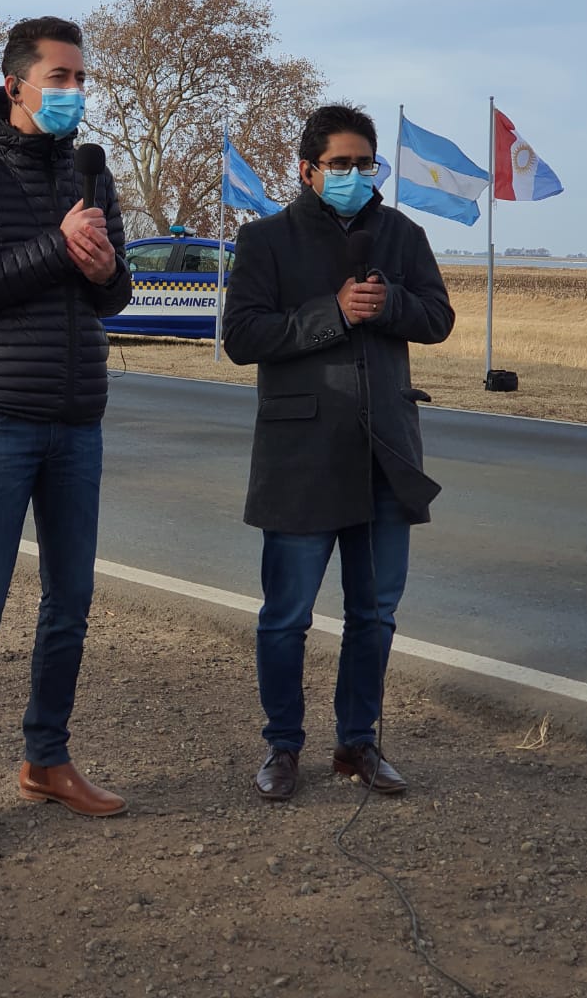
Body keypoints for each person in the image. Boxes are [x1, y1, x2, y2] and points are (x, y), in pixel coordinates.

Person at [0, 16, 133, 854]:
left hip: (78, 419)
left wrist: (105, 270)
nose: (74, 91)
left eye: (81, 78)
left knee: (70, 603)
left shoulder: (92, 172)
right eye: (60, 78)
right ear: (16, 85)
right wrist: (56, 248)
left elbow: (113, 295)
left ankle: (47, 760)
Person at [222, 103, 455, 802]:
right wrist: (333, 312)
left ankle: (358, 744)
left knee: (375, 613)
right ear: (307, 170)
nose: (355, 175)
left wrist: (389, 306)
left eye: (364, 163)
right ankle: (282, 747)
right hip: (301, 457)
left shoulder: (403, 235)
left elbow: (438, 318)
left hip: (386, 453)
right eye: (340, 164)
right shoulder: (266, 240)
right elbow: (243, 336)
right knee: (286, 615)